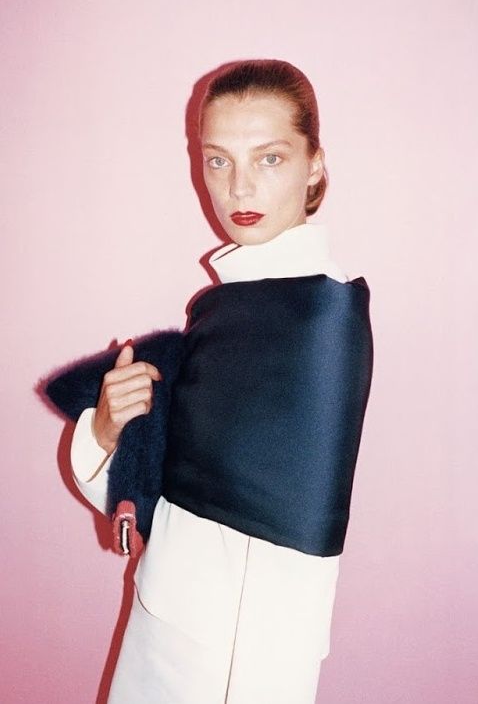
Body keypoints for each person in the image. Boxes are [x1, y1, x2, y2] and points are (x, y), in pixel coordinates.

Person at [66, 59, 373, 703]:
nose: (237, 190)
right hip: (165, 624)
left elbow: (295, 560)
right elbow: (162, 503)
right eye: (217, 160)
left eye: (269, 158)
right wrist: (105, 427)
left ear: (315, 163)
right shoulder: (225, 305)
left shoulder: (318, 323)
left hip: (227, 663)